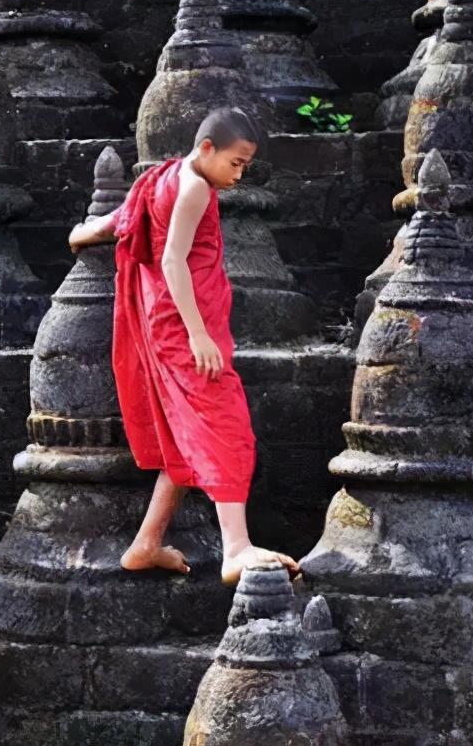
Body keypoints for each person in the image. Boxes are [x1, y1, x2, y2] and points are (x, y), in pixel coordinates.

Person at [68, 107, 299, 586]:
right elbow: (173, 261)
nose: (239, 174)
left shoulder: (163, 176)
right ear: (208, 148)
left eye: (245, 167)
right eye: (236, 163)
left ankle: (146, 544)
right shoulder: (194, 186)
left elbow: (123, 219)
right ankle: (236, 548)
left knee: (186, 438)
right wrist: (198, 333)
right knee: (228, 426)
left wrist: (81, 233)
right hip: (184, 329)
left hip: (165, 323)